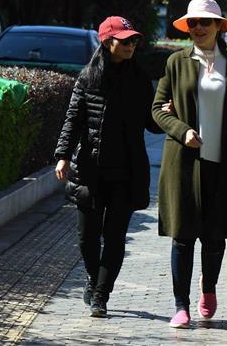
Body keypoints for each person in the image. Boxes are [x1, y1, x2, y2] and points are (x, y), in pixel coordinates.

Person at [152, 0, 227, 329]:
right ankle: (180, 305)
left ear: (218, 27)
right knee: (182, 236)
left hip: (222, 164)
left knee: (214, 237)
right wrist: (182, 131)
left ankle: (208, 290)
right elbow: (157, 109)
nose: (197, 28)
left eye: (204, 22)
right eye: (192, 23)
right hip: (183, 163)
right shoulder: (176, 62)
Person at [54, 16, 161, 319]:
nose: (131, 45)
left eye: (134, 40)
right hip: (90, 169)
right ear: (107, 42)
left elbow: (151, 125)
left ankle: (101, 294)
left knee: (115, 238)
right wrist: (62, 155)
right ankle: (92, 278)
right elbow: (73, 119)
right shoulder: (88, 78)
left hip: (127, 173)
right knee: (87, 237)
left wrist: (168, 112)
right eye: (125, 40)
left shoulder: (140, 80)